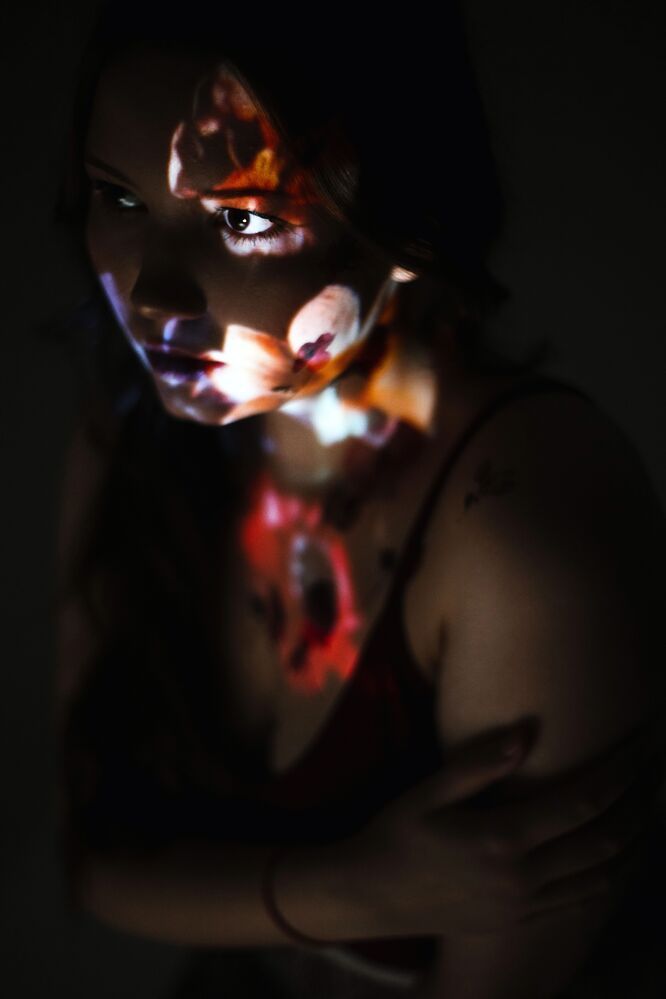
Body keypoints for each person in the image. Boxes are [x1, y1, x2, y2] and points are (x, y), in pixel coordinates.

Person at [51, 1, 666, 995]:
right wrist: (353, 891)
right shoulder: (128, 442)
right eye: (118, 198)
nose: (154, 294)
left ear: (410, 218)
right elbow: (97, 865)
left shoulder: (519, 534)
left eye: (244, 219)